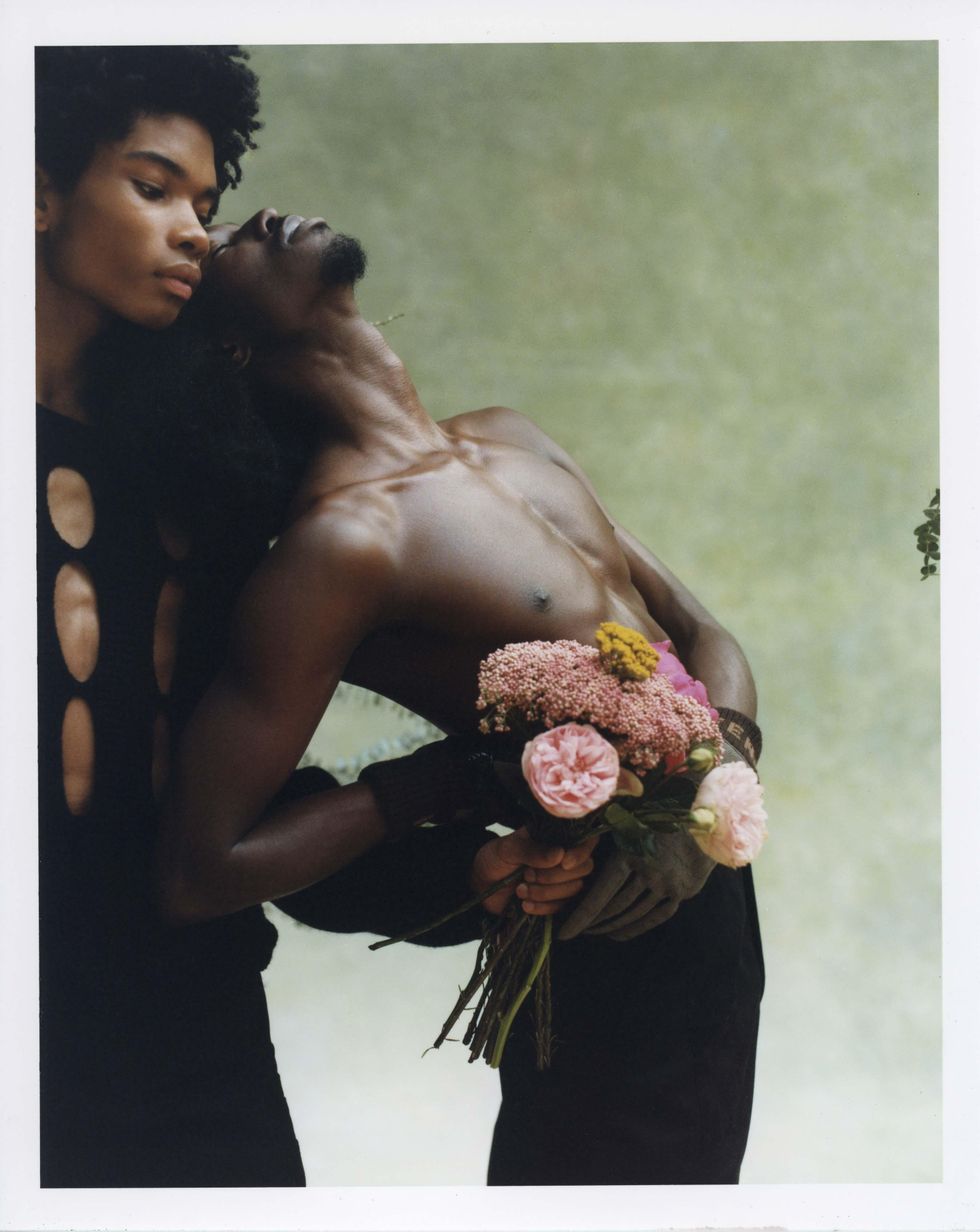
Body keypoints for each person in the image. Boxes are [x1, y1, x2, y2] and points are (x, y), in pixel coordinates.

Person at [35, 45, 590, 1189]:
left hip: (185, 1008)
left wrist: (456, 864)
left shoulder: (211, 462)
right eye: (152, 187)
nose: (194, 229)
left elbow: (230, 789)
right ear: (35, 187)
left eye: (206, 202)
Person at [155, 206, 765, 1184]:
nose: (258, 214)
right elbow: (201, 866)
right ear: (230, 343)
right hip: (601, 932)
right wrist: (452, 784)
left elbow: (701, 636)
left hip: (710, 911)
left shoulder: (506, 437)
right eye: (229, 236)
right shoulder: (348, 543)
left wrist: (713, 783)